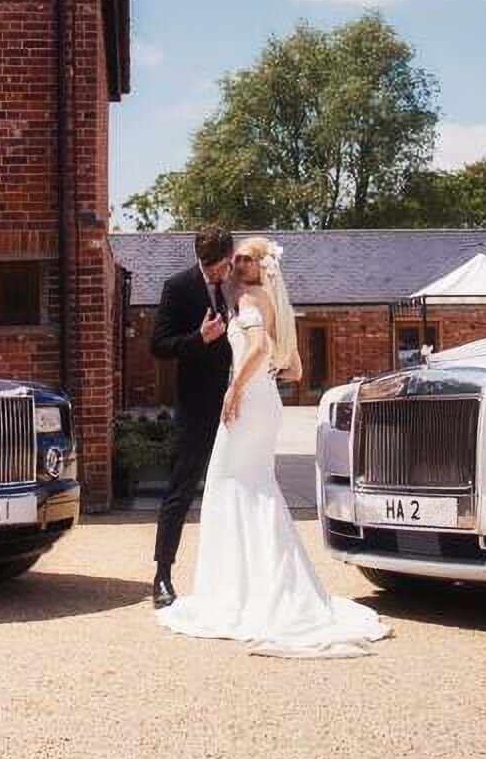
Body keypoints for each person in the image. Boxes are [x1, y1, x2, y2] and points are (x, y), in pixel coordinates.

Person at [155, 236, 389, 658]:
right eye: (235, 259)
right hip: (259, 401)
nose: (236, 266)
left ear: (257, 264)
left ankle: (239, 592)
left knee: (229, 486)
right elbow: (295, 368)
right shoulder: (272, 303)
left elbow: (259, 346)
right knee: (253, 487)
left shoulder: (247, 299)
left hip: (242, 402)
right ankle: (201, 578)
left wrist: (238, 389)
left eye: (243, 259)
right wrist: (257, 374)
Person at [148, 223, 237, 607]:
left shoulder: (239, 284)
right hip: (198, 404)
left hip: (240, 405)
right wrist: (199, 339)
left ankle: (237, 578)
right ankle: (162, 576)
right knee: (181, 488)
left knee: (238, 488)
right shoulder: (178, 287)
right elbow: (159, 346)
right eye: (213, 268)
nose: (219, 273)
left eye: (222, 266)